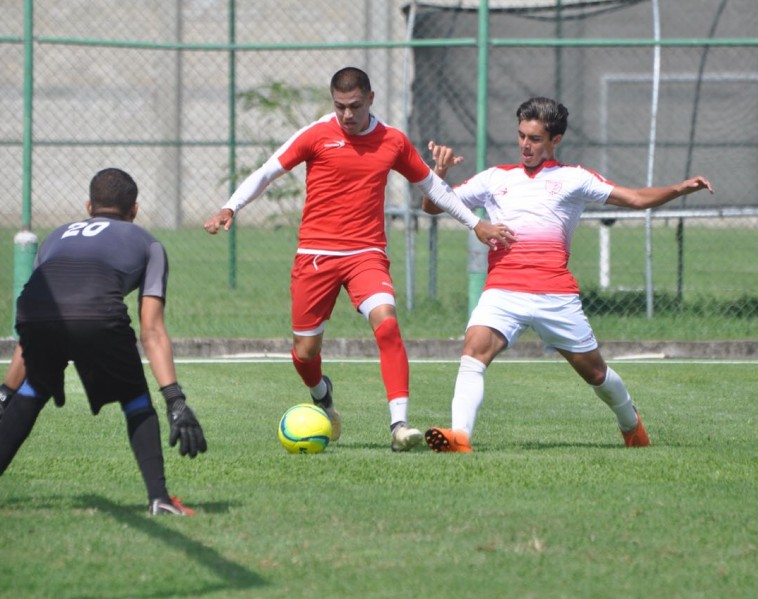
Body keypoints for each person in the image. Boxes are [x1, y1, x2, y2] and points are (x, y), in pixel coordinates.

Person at [204, 66, 514, 452]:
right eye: (339, 107)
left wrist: (475, 224)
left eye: (354, 106)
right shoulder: (317, 134)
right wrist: (230, 207)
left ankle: (399, 425)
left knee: (387, 324)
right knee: (305, 353)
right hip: (315, 256)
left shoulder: (392, 141)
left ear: (370, 98)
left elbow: (432, 186)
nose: (347, 115)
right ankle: (322, 394)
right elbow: (268, 171)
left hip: (366, 254)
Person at [422, 96, 714, 453]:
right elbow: (433, 205)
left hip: (555, 295)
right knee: (473, 352)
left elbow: (636, 198)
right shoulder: (494, 178)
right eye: (521, 136)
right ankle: (460, 437)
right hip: (503, 290)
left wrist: (680, 189)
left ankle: (630, 423)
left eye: (534, 139)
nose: (525, 145)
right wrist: (439, 173)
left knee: (596, 374)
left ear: (554, 140)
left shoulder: (574, 179)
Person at [0, 168, 207, 515]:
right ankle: (159, 499)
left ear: (88, 205)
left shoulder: (54, 237)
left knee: (32, 391)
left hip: (33, 314)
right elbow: (152, 330)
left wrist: (6, 392)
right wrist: (175, 400)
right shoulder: (148, 243)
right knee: (135, 399)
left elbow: (36, 316)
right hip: (97, 315)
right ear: (135, 210)